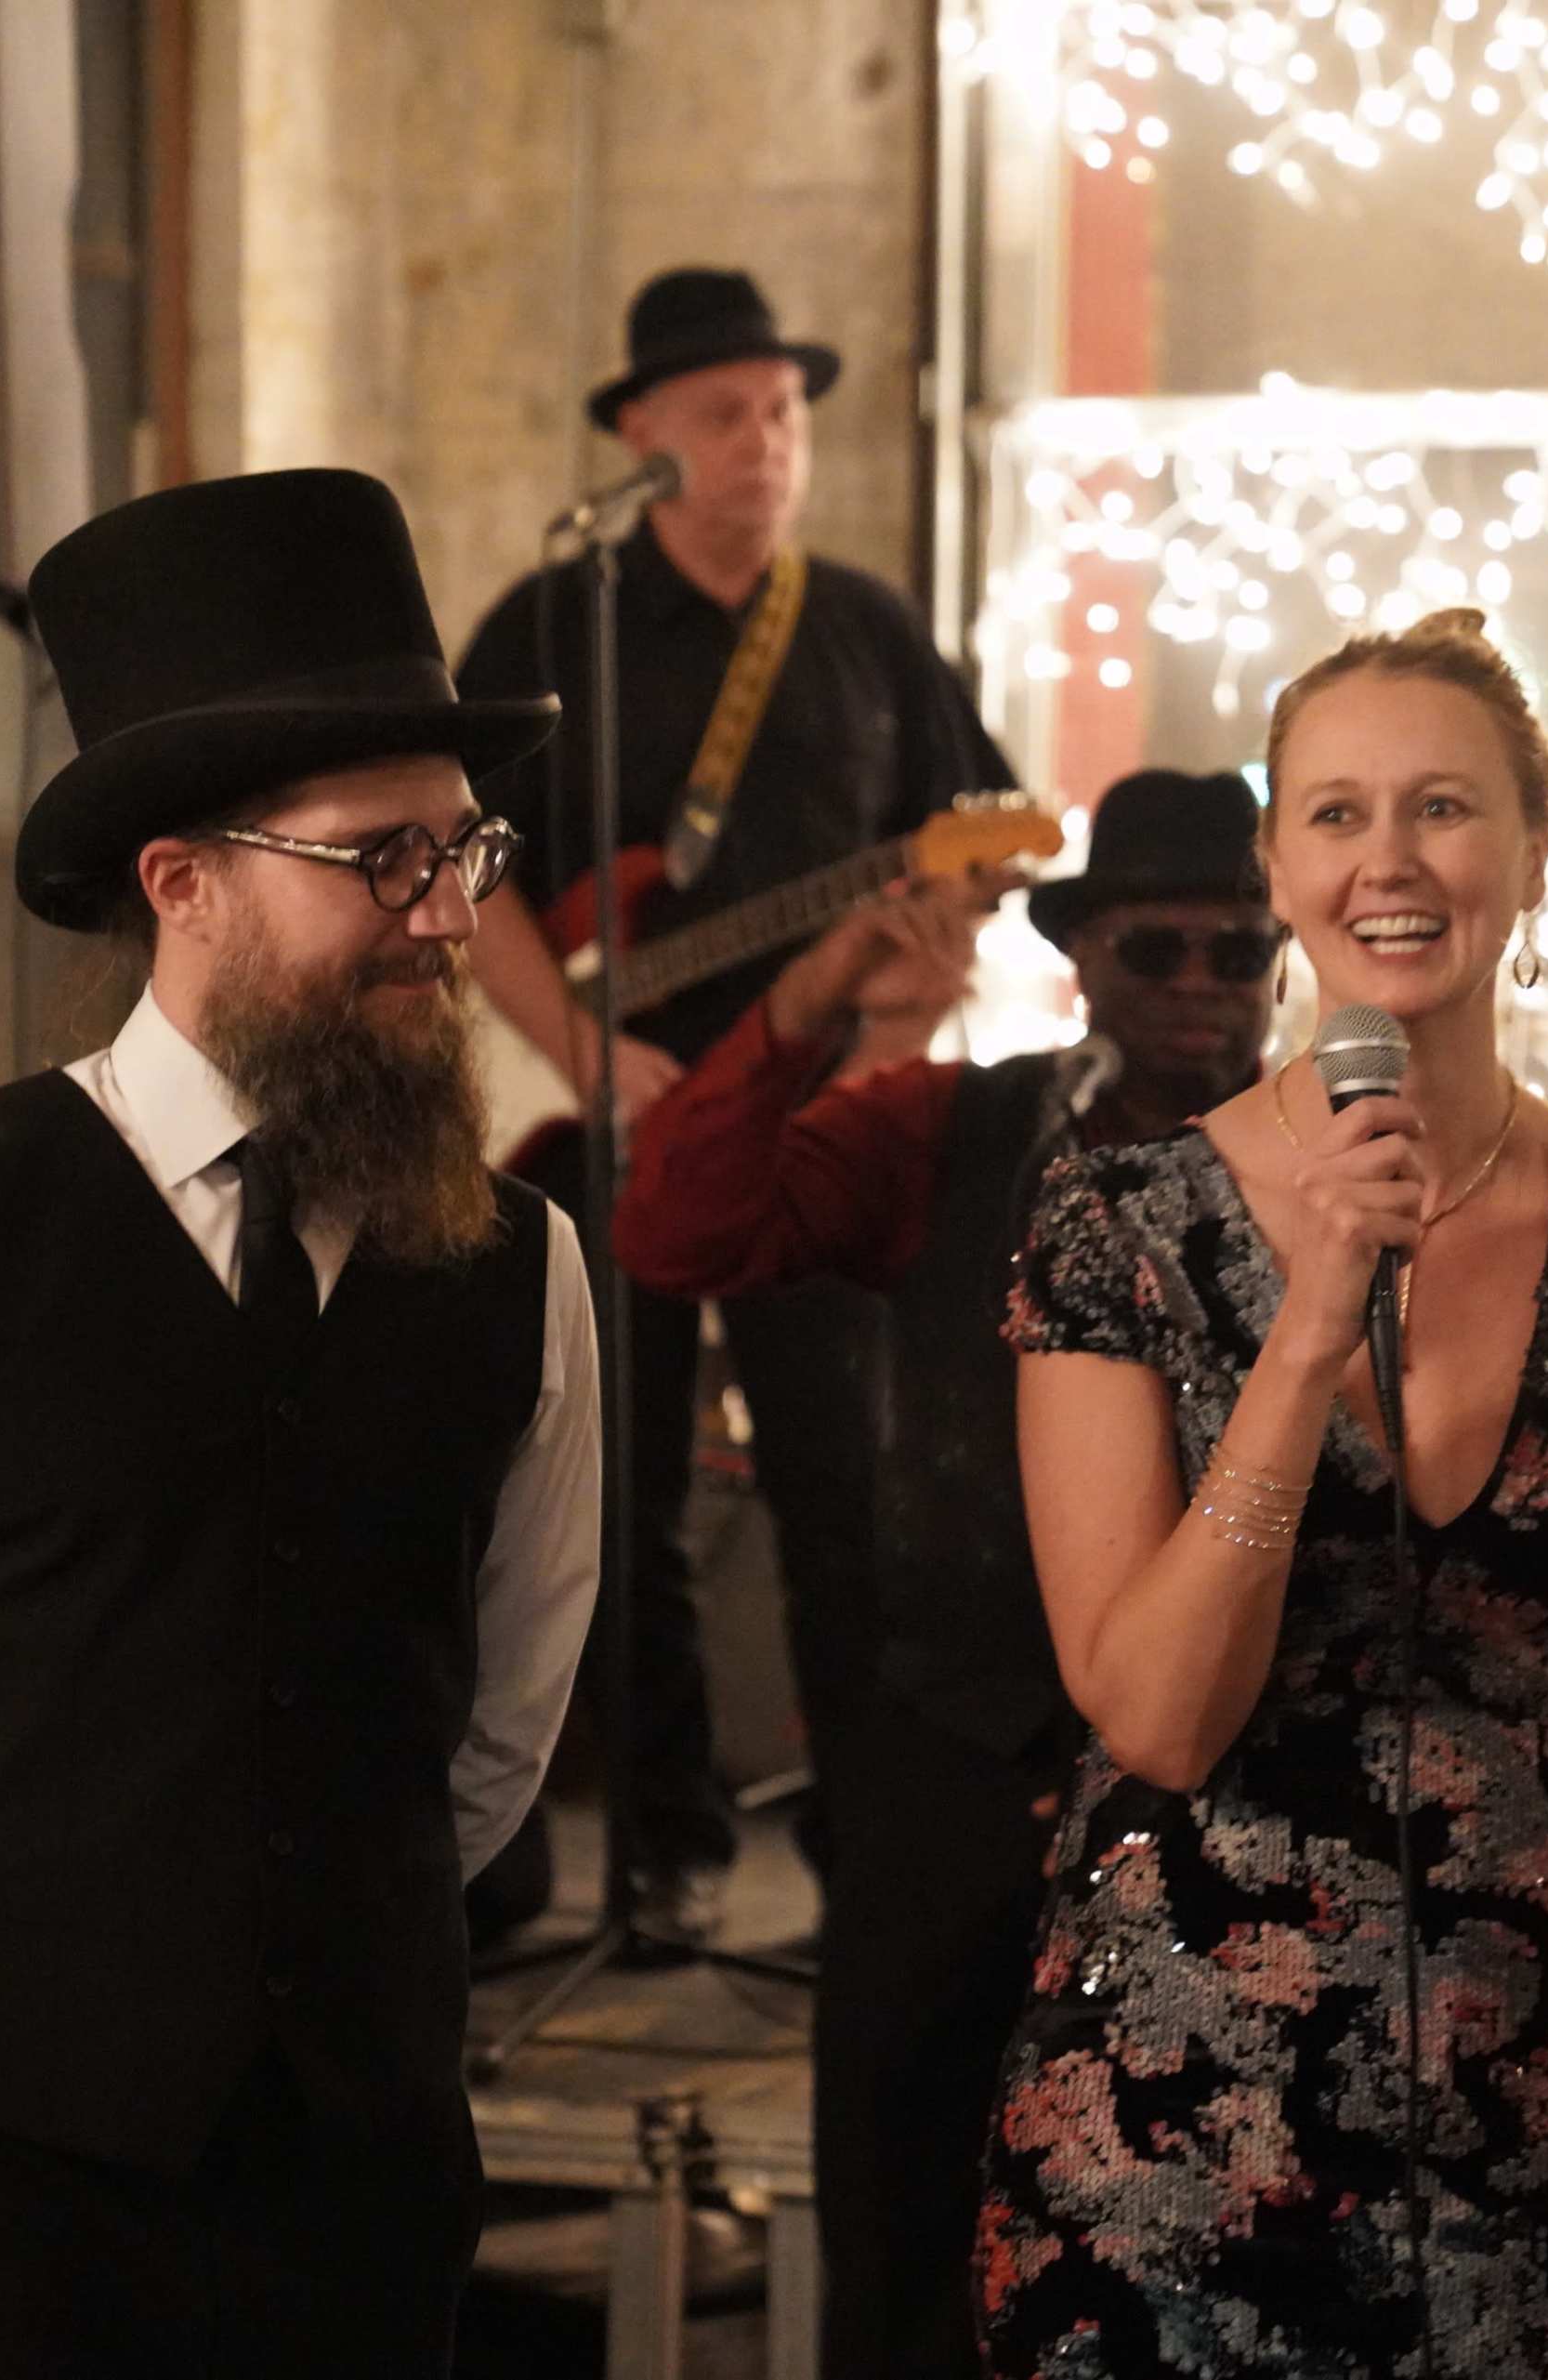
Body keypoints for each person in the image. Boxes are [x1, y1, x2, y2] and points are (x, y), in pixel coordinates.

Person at [0, 469, 600, 2379]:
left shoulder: (526, 1262)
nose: (444, 917)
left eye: (463, 852)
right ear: (185, 879)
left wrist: (340, 1957)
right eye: (382, 860)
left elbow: (494, 1726)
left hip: (357, 2170)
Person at [973, 613, 1548, 2378]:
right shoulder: (1114, 1227)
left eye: (1444, 808)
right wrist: (1311, 1322)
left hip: (1546, 2123)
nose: (1392, 860)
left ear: (1532, 856)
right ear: (1280, 865)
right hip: (1173, 2132)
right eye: (1337, 814)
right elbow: (1159, 1713)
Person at [609, 768, 1279, 2380]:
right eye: (1156, 947)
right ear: (1085, 955)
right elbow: (675, 1229)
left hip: (1229, 1791)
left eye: (1235, 952)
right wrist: (814, 992)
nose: (1197, 986)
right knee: (911, 2256)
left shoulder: (1327, 1155)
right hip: (956, 1774)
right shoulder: (954, 1128)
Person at [455, 266, 1017, 1938]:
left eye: (784, 411)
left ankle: (875, 1860)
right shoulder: (556, 624)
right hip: (602, 1119)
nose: (767, 443)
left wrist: (911, 974)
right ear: (641, 437)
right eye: (725, 413)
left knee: (850, 1489)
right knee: (606, 1499)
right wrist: (575, 1043)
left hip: (806, 1131)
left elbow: (967, 845)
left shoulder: (860, 632)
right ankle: (664, 1848)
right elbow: (475, 868)